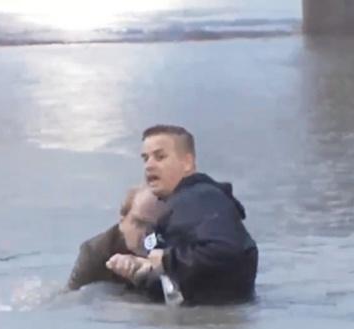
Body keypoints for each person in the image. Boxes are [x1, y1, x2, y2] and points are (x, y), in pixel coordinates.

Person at [107, 124, 258, 305]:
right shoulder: (188, 201)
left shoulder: (198, 198)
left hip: (211, 324)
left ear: (187, 163)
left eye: (160, 157)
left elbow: (226, 250)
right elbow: (189, 279)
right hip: (210, 319)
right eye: (145, 159)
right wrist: (142, 271)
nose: (149, 165)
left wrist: (166, 259)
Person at [67, 186, 164, 290]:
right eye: (139, 223)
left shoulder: (176, 246)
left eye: (155, 226)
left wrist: (155, 268)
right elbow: (71, 296)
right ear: (122, 219)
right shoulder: (97, 251)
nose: (146, 234)